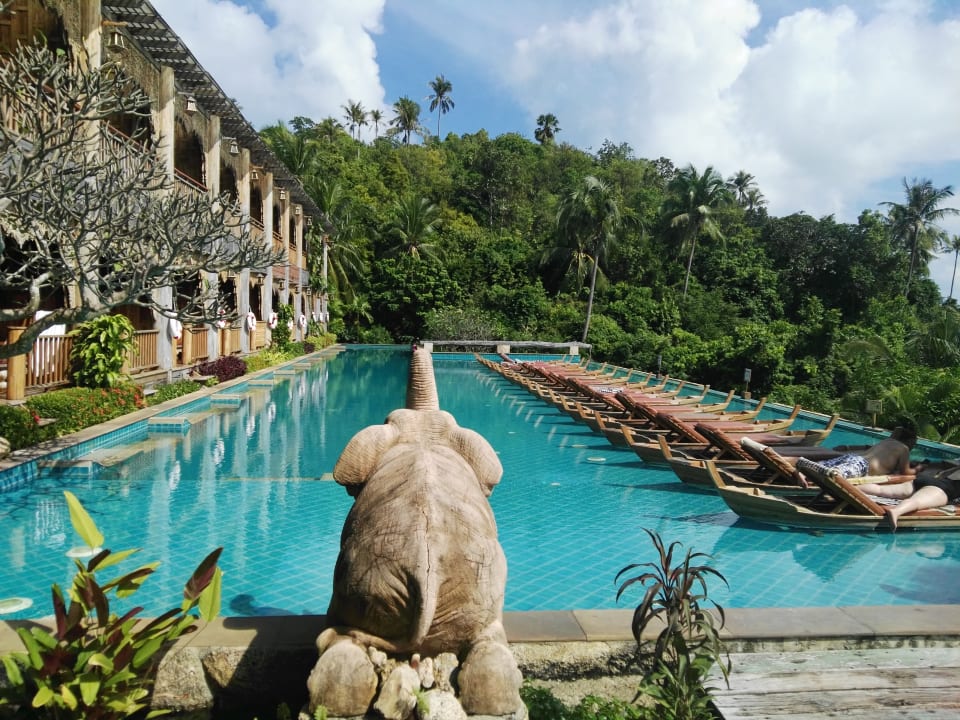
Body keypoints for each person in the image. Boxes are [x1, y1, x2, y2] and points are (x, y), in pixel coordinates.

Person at [857, 462, 960, 530]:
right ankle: (896, 511)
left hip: (926, 480)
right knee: (917, 502)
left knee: (880, 490)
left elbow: (941, 473)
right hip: (942, 490)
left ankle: (854, 489)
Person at [793, 426, 918, 481]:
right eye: (913, 443)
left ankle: (803, 468)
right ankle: (804, 470)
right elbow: (905, 472)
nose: (913, 446)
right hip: (862, 465)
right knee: (835, 474)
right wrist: (918, 468)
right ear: (908, 441)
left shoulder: (887, 441)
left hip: (854, 458)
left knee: (824, 466)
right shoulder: (903, 448)